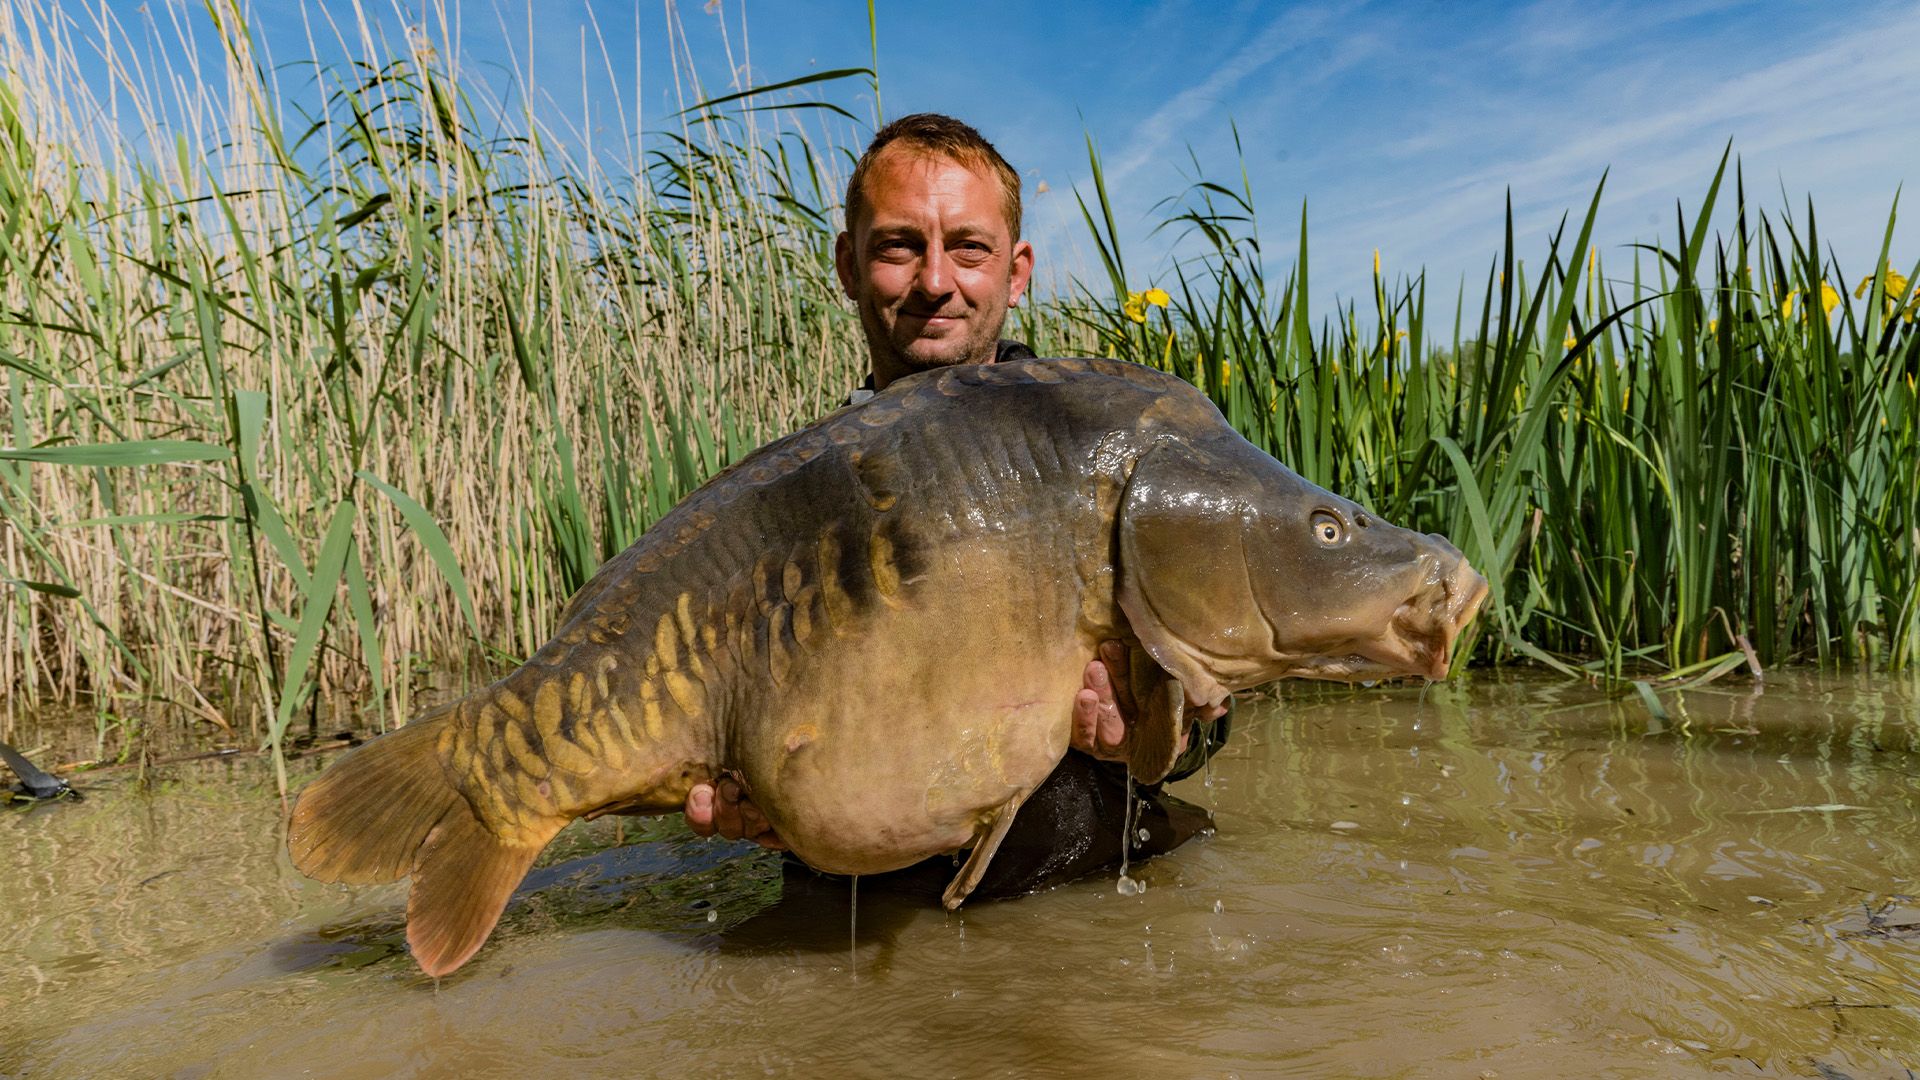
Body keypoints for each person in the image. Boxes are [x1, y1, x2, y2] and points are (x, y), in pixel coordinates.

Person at [682, 113, 1230, 895]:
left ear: (1017, 271)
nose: (935, 280)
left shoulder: (1103, 457)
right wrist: (756, 794)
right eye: (899, 246)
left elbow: (1219, 705)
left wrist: (1159, 734)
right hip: (864, 914)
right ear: (848, 266)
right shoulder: (782, 508)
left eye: (969, 248)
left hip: (1089, 898)